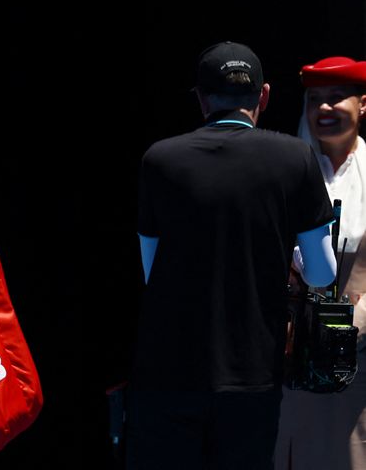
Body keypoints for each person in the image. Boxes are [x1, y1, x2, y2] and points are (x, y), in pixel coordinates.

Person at [126, 41, 338, 470]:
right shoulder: (294, 156)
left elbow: (152, 272)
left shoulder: (160, 159)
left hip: (167, 372)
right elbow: (320, 274)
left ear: (202, 98)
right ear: (263, 96)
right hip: (252, 375)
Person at [275, 56, 366, 470]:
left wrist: (354, 326)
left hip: (356, 355)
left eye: (336, 98)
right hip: (288, 354)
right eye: (315, 100)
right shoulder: (282, 172)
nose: (324, 109)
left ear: (362, 104)